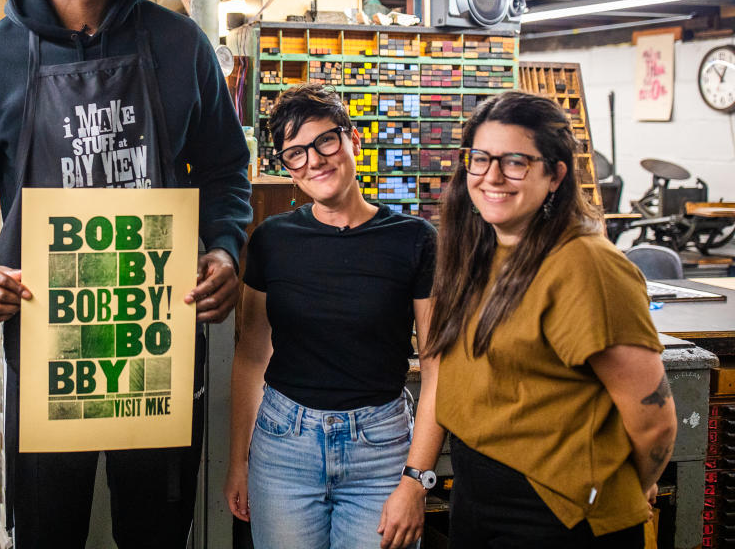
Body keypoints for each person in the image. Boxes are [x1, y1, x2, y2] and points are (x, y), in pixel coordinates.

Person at [0, 0, 252, 548]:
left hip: (158, 339)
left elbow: (228, 171)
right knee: (48, 533)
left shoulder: (180, 45)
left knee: (156, 530)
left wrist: (226, 247)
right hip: (48, 338)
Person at [427, 90, 677, 547]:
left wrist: (623, 488)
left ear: (556, 174)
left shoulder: (586, 265)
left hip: (558, 511)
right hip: (480, 491)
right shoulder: (479, 248)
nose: (492, 176)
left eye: (516, 162)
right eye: (480, 159)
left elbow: (655, 422)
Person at [225, 83, 443, 549]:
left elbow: (439, 367)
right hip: (283, 447)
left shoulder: (415, 240)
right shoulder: (270, 240)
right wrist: (237, 461)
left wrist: (416, 480)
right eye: (295, 153)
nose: (314, 161)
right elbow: (250, 356)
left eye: (325, 141)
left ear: (353, 141)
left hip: (381, 451)